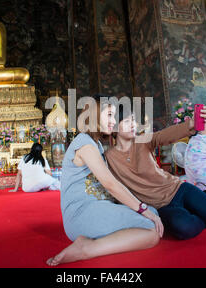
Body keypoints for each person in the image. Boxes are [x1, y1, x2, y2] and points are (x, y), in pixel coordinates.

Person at [105, 106, 206, 241]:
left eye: (133, 120)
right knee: (184, 228)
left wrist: (192, 123)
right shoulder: (108, 158)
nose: (133, 124)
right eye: (126, 121)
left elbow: (163, 135)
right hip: (161, 207)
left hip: (179, 190)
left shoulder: (143, 140)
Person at [46, 95, 163, 266]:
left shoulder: (97, 144)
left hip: (99, 207)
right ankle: (87, 248)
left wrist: (145, 209)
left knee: (154, 213)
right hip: (82, 214)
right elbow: (110, 184)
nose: (113, 121)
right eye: (109, 115)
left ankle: (101, 237)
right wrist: (142, 209)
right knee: (152, 233)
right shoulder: (84, 144)